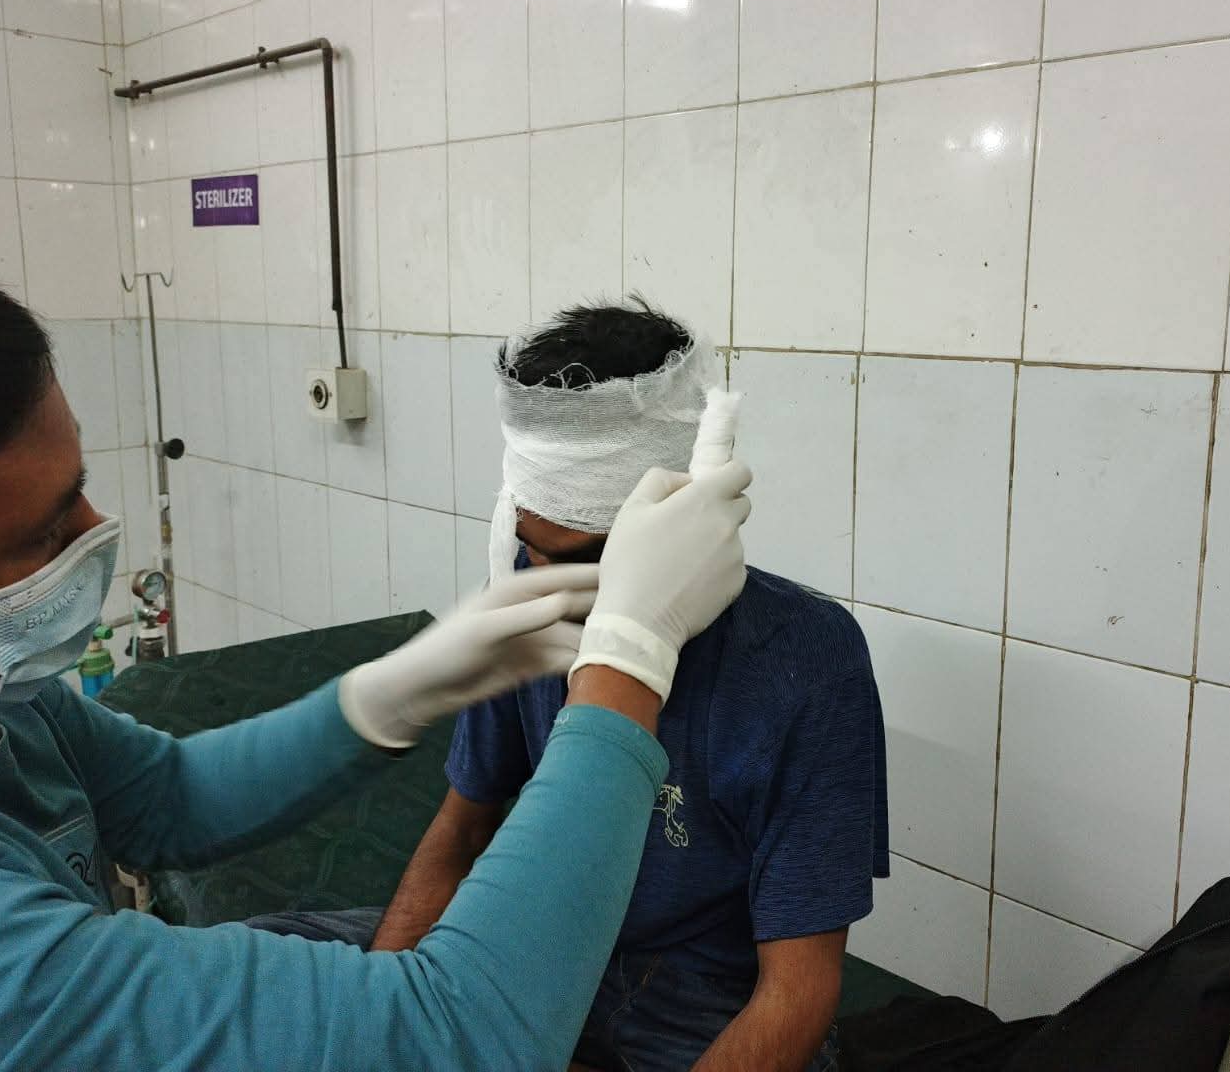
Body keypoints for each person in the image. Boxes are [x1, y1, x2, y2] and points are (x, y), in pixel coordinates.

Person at [0, 247, 752, 1072]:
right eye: (43, 534)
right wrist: (630, 658)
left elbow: (167, 798)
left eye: (80, 490)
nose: (95, 537)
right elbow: (451, 1038)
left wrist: (391, 695)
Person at [374, 302, 890, 1072]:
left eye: (590, 561)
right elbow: (460, 833)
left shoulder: (805, 660)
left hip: (699, 998)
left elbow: (798, 988)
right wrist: (374, 1021)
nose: (555, 589)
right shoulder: (527, 602)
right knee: (275, 991)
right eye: (532, 550)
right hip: (535, 946)